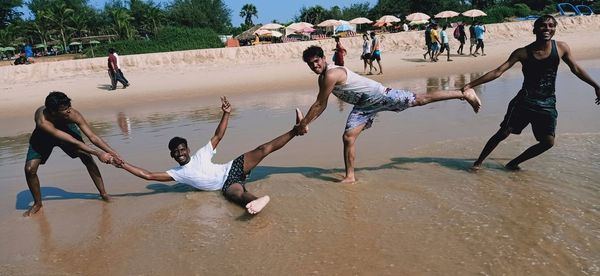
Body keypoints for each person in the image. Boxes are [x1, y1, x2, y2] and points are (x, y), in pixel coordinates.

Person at [296, 46, 481, 182]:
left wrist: (304, 123)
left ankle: (463, 94)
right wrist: (306, 122)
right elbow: (323, 105)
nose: (315, 65)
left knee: (420, 99)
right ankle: (350, 176)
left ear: (323, 58)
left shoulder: (331, 74)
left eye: (316, 61)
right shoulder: (323, 79)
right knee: (348, 137)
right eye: (310, 64)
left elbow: (319, 103)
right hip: (364, 105)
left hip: (378, 95)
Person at [113, 97, 304, 215]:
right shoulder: (177, 173)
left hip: (232, 168)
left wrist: (226, 113)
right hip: (226, 184)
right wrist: (123, 165)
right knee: (237, 195)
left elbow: (219, 135)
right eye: (176, 152)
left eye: (182, 149)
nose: (180, 154)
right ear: (172, 156)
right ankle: (257, 200)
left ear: (187, 149)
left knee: (263, 149)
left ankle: (297, 130)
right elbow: (148, 175)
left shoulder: (201, 154)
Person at [462, 15, 600, 171]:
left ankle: (513, 163)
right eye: (543, 26)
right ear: (535, 29)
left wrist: (595, 85)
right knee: (503, 133)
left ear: (554, 29)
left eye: (551, 26)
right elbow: (498, 71)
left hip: (548, 103)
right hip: (524, 102)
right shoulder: (522, 53)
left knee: (548, 142)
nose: (547, 29)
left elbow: (575, 69)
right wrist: (470, 84)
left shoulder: (561, 48)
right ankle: (478, 163)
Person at [24, 91, 122, 216]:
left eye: (69, 107)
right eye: (65, 109)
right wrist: (99, 154)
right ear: (53, 112)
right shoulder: (42, 121)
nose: (69, 111)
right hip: (44, 136)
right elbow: (74, 142)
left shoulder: (72, 114)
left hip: (67, 129)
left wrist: (112, 152)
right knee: (29, 169)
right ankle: (37, 203)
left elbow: (93, 137)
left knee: (87, 158)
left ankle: (103, 194)